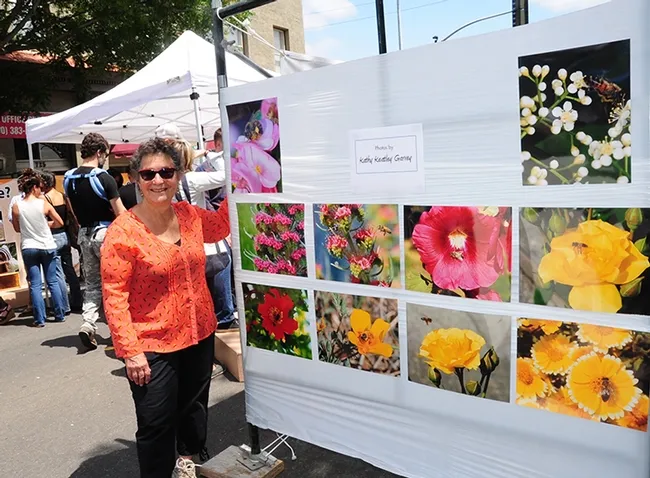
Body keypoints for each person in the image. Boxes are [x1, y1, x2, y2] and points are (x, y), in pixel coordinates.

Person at [101, 138, 230, 478]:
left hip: (199, 332)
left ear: (178, 175)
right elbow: (114, 295)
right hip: (152, 345)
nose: (158, 180)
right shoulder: (123, 232)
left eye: (166, 172)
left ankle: (188, 458)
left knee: (194, 408)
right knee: (156, 424)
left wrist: (244, 181)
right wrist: (130, 352)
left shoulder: (189, 215)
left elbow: (222, 225)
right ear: (136, 179)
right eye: (149, 174)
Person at [64, 132, 126, 349]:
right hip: (106, 235)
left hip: (84, 235)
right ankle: (118, 331)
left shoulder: (68, 178)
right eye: (105, 154)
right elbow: (121, 213)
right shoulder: (104, 178)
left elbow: (72, 210)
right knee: (114, 283)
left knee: (91, 284)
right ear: (99, 152)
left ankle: (88, 323)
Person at [11, 169, 66, 327]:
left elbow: (17, 228)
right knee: (52, 281)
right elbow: (59, 222)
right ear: (34, 187)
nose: (40, 190)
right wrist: (47, 224)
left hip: (29, 246)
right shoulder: (43, 204)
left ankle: (40, 319)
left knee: (35, 284)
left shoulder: (17, 206)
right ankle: (59, 314)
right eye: (39, 187)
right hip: (47, 245)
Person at [41, 171, 82, 313]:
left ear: (45, 183)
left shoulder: (45, 198)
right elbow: (72, 215)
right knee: (69, 269)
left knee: (58, 272)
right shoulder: (62, 196)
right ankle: (78, 301)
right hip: (65, 235)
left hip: (53, 236)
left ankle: (65, 306)